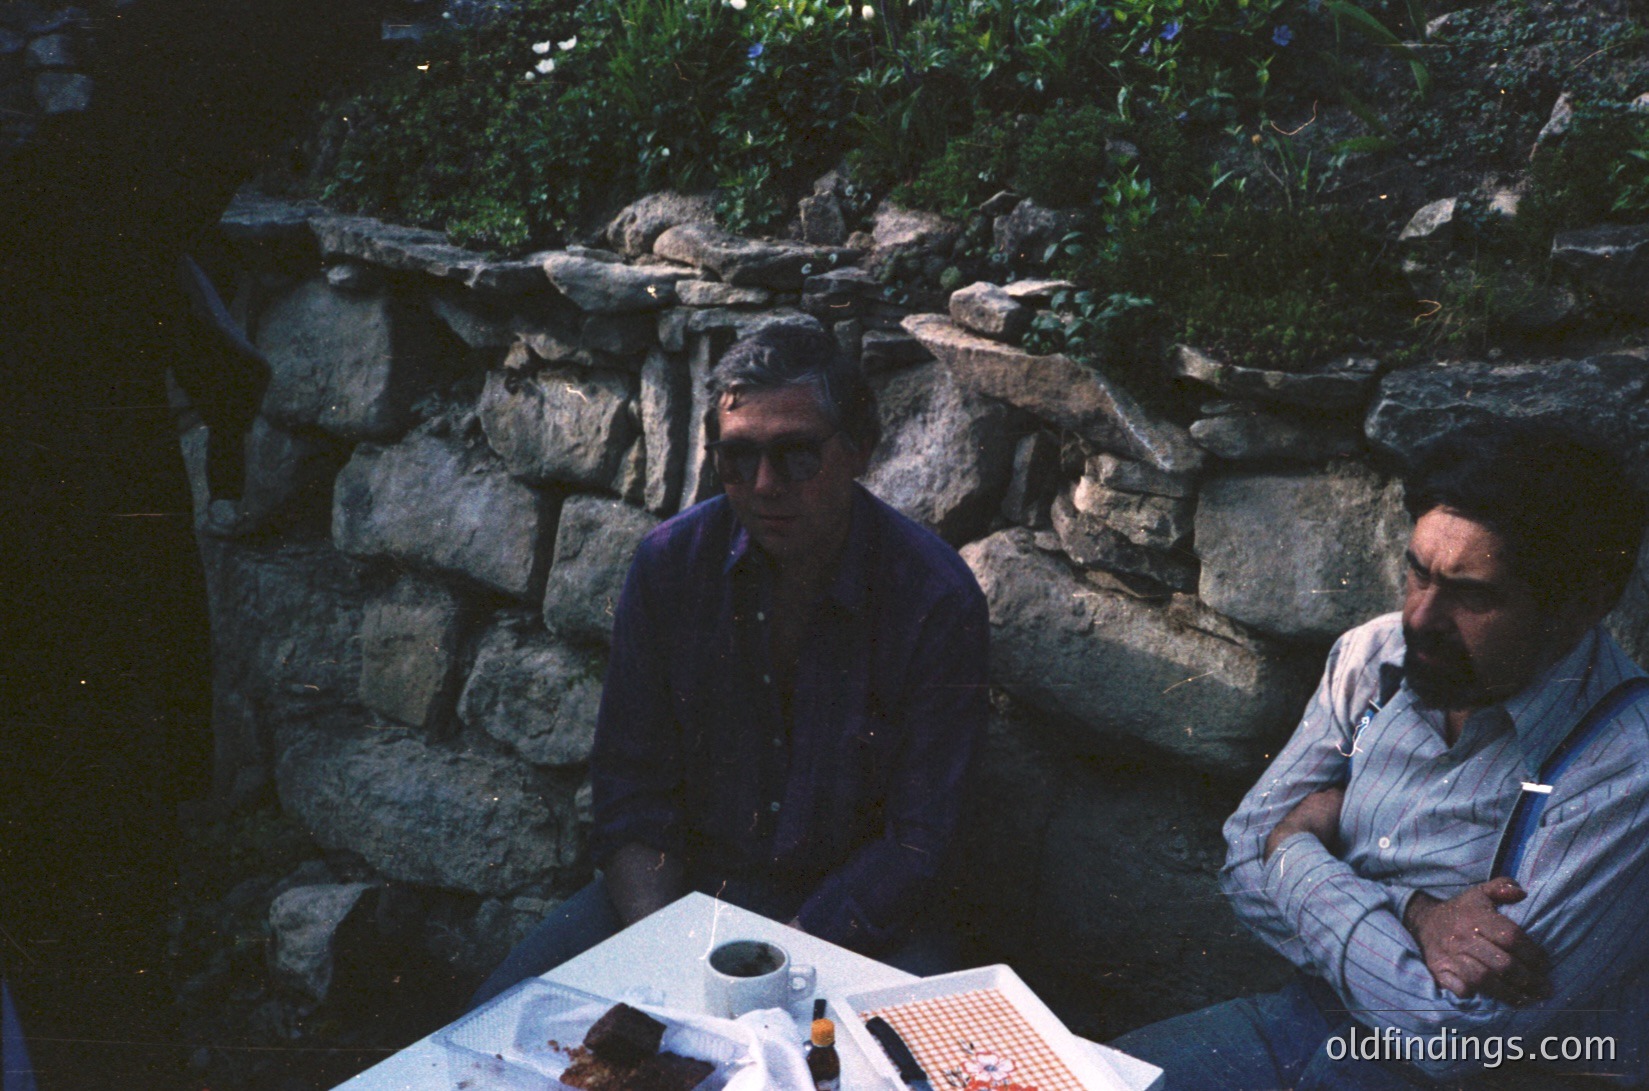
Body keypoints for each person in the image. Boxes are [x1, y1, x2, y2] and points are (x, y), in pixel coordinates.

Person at [1113, 421, 1649, 1090]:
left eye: (1472, 595)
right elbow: (1245, 855)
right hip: (1308, 1016)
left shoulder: (1625, 771)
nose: (1420, 618)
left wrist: (1297, 845)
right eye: (1416, 572)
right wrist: (1414, 914)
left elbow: (1451, 1032)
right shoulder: (1376, 658)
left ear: (1581, 604)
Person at [470, 323, 990, 1007]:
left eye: (796, 455)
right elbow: (630, 788)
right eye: (737, 457)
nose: (765, 484)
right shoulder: (670, 567)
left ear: (859, 448)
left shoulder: (933, 598)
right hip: (685, 898)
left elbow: (920, 841)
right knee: (490, 1032)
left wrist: (775, 961)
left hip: (865, 919)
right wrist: (674, 948)